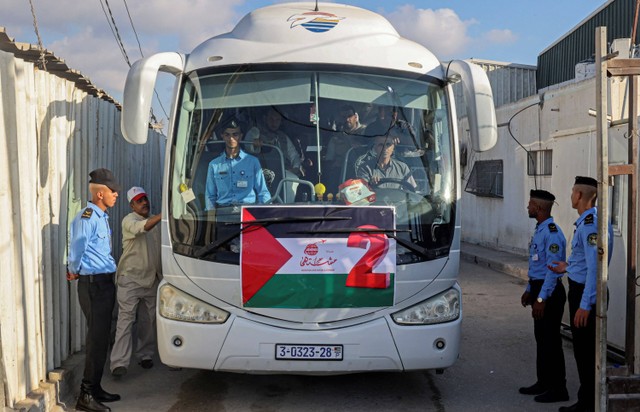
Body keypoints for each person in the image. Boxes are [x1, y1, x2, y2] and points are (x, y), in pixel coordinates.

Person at [550, 176, 614, 412]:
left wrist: (585, 305)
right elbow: (588, 262)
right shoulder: (594, 220)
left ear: (579, 195)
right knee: (587, 352)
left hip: (586, 295)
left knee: (586, 354)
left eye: (572, 192)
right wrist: (566, 266)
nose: (570, 196)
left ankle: (587, 404)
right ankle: (589, 400)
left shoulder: (589, 225)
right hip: (589, 291)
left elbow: (595, 270)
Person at [67, 168, 122, 412]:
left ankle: (96, 387)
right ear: (100, 194)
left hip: (104, 282)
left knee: (101, 339)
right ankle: (85, 396)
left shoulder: (101, 217)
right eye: (113, 191)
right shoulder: (87, 216)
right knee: (96, 340)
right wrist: (74, 268)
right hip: (93, 284)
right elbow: (78, 246)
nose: (116, 194)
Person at [519, 190, 569, 404]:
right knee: (542, 340)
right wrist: (530, 288)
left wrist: (541, 299)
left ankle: (559, 389)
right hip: (539, 288)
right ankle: (543, 382)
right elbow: (537, 264)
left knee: (551, 342)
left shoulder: (552, 233)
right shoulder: (540, 229)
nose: (527, 207)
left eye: (530, 204)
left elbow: (552, 270)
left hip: (549, 292)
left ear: (538, 208)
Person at [110, 186, 162, 378]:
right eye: (139, 201)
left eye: (145, 199)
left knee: (148, 321)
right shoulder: (129, 220)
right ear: (132, 205)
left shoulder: (156, 221)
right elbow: (143, 228)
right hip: (130, 279)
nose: (144, 203)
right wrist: (164, 215)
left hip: (151, 280)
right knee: (125, 321)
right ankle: (119, 363)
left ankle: (145, 355)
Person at [205, 116, 271, 209]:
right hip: (223, 213)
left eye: (235, 134)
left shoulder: (253, 162)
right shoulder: (214, 165)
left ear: (241, 136)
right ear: (222, 136)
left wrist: (263, 215)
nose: (231, 138)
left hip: (247, 211)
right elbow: (210, 196)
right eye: (227, 135)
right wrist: (210, 220)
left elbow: (263, 193)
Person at [250, 107, 304, 201]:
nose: (274, 122)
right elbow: (249, 145)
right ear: (265, 118)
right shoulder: (256, 133)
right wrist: (255, 143)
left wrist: (295, 168)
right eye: (271, 119)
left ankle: (287, 207)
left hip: (282, 172)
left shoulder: (283, 137)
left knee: (292, 179)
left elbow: (294, 156)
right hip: (262, 170)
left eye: (277, 120)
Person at [324, 105, 368, 171]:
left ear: (355, 117)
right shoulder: (336, 137)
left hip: (359, 170)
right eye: (343, 117)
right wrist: (334, 164)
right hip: (339, 170)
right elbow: (329, 159)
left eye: (350, 116)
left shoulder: (365, 132)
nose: (347, 119)